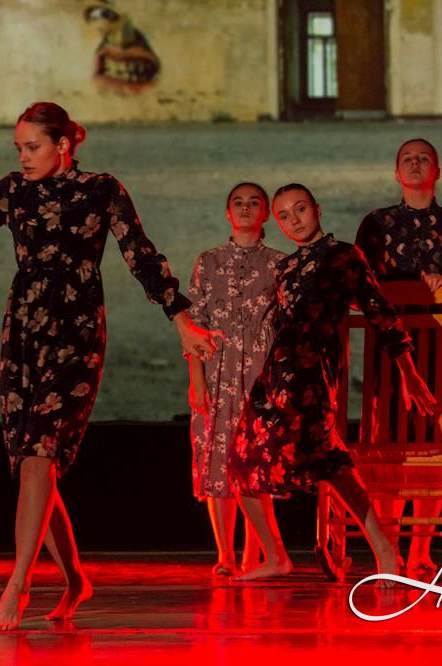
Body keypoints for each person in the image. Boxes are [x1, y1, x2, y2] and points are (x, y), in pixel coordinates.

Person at [0, 102, 222, 630]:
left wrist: (180, 318)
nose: (23, 157)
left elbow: (141, 255)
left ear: (63, 145)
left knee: (40, 455)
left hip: (77, 330)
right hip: (24, 331)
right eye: (19, 148)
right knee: (33, 463)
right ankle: (75, 580)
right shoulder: (14, 190)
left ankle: (19, 583)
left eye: (33, 147)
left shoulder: (102, 190)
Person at [227, 183, 436, 583]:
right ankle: (275, 556)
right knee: (240, 457)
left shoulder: (343, 256)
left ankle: (383, 549)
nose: (294, 220)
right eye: (284, 215)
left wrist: (408, 373)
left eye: (300, 209)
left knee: (329, 461)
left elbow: (379, 312)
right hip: (275, 375)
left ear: (317, 209)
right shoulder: (285, 267)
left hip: (312, 374)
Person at [354, 138, 442, 575]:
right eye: (407, 159)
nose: (415, 164)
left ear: (438, 170)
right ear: (396, 172)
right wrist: (414, 281)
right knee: (387, 448)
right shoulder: (376, 223)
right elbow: (363, 285)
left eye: (423, 158)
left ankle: (420, 550)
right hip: (390, 357)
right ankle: (389, 547)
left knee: (435, 446)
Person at [187, 183, 283, 576]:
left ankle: (254, 554)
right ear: (228, 213)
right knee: (217, 460)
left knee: (256, 465)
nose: (245, 208)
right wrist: (196, 379)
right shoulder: (208, 261)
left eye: (254, 203)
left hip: (260, 374)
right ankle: (225, 555)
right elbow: (194, 324)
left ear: (266, 214)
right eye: (238, 203)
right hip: (217, 371)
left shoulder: (279, 264)